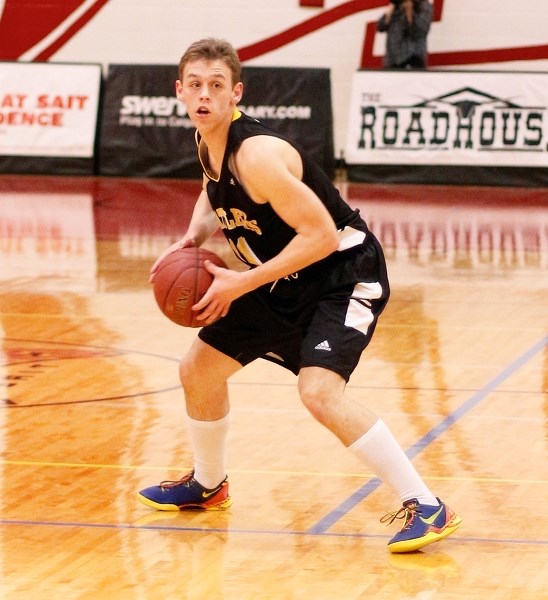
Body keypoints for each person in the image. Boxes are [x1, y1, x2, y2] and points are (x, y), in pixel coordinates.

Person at [137, 37, 461, 553]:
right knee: (197, 369)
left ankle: (425, 503)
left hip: (342, 274)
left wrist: (241, 281)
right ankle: (208, 483)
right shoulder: (207, 139)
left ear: (235, 92)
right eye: (195, 85)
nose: (204, 95)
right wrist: (195, 236)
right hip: (282, 277)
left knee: (318, 392)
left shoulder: (259, 155)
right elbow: (210, 187)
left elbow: (323, 237)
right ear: (180, 91)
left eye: (216, 85)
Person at [377, 0, 433, 69]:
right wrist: (389, 13)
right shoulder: (396, 6)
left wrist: (409, 12)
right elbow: (380, 27)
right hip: (392, 60)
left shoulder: (424, 5)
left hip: (413, 58)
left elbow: (420, 31)